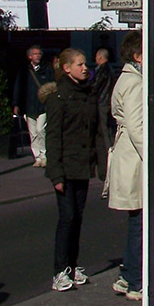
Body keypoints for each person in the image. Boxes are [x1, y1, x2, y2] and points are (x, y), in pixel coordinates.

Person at [45, 47, 99, 292]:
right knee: (67, 218)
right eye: (79, 64)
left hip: (82, 165)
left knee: (77, 218)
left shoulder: (88, 93)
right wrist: (56, 173)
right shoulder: (59, 97)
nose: (84, 68)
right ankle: (59, 271)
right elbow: (53, 137)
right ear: (66, 68)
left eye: (85, 64)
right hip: (65, 168)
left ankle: (73, 266)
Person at [108, 31, 144, 302]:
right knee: (140, 219)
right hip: (134, 158)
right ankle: (135, 280)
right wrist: (153, 155)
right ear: (138, 56)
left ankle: (128, 275)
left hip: (128, 154)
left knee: (137, 218)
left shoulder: (127, 78)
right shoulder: (135, 83)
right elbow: (136, 125)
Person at [12, 44, 52, 167]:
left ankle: (44, 155)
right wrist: (16, 103)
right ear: (30, 56)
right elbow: (18, 87)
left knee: (41, 130)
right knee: (33, 133)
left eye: (39, 53)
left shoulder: (47, 69)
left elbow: (52, 85)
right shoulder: (24, 70)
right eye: (35, 54)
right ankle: (37, 157)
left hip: (42, 106)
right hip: (29, 106)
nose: (38, 56)